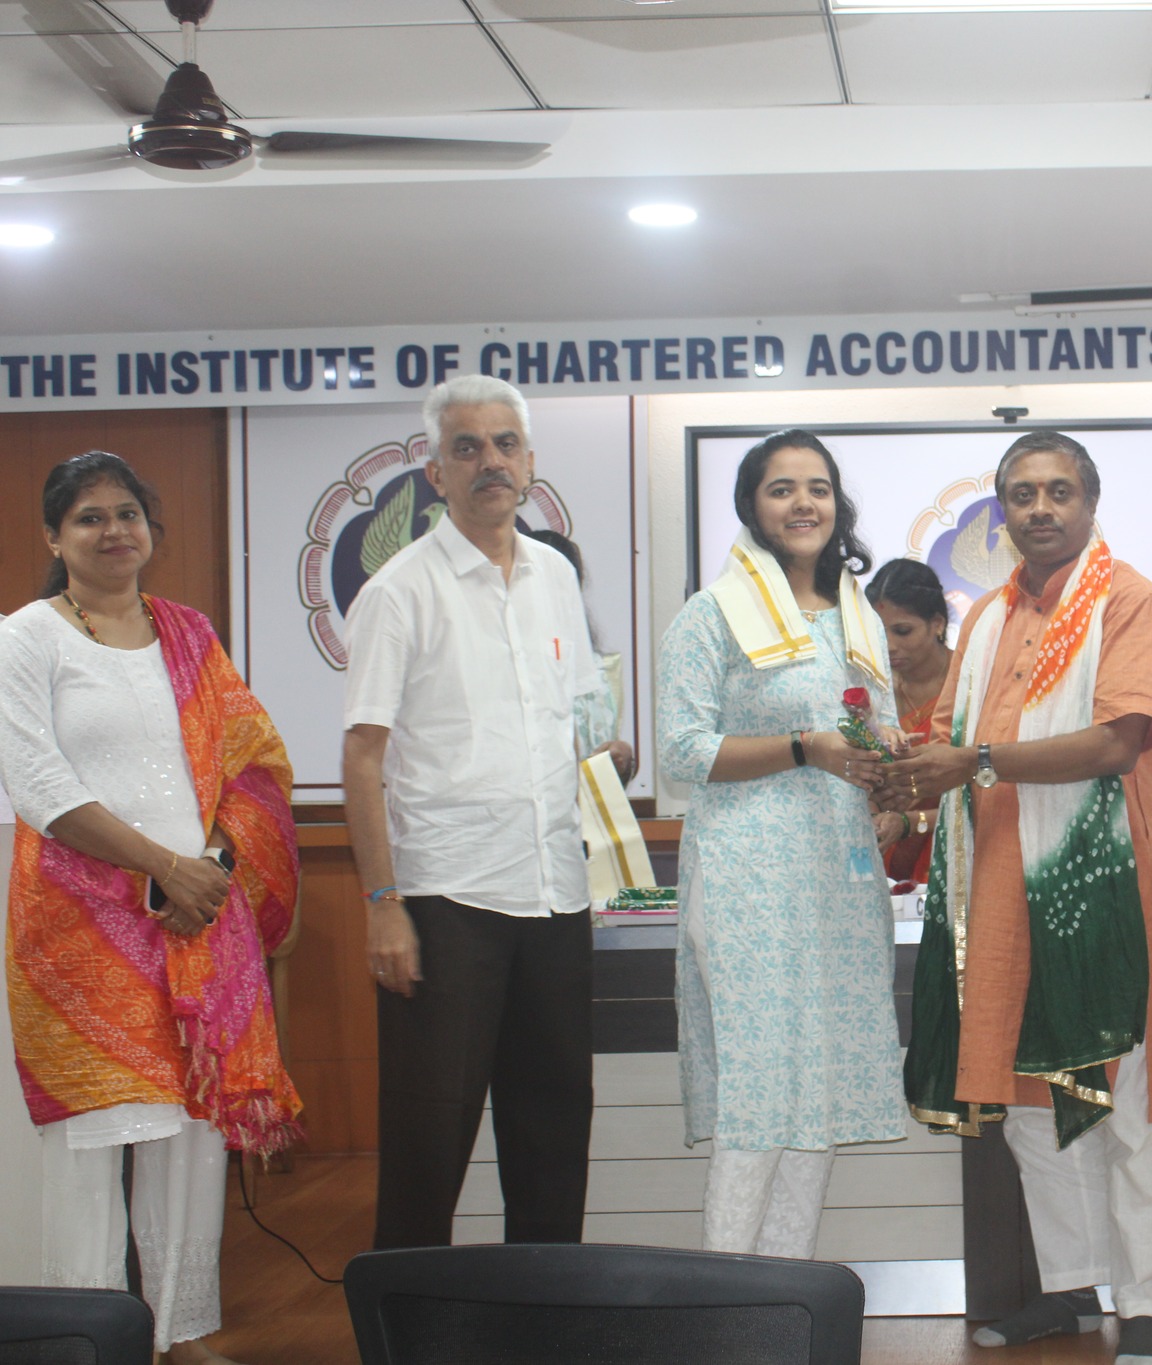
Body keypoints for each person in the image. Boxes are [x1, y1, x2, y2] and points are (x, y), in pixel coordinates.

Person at [887, 430, 1152, 1365]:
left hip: (1099, 891)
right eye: (1023, 494)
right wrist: (895, 769)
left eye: (1059, 491)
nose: (1041, 508)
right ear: (1004, 511)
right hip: (995, 888)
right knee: (1025, 1102)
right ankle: (1072, 1287)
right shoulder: (984, 619)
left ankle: (1148, 1303)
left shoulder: (1131, 601)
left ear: (1090, 503)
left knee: (1124, 1094)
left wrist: (970, 760)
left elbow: (1115, 743)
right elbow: (942, 740)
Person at [0, 452, 301, 1365]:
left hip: (196, 919)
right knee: (94, 1141)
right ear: (53, 536)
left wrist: (208, 868)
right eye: (88, 517)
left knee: (192, 1136)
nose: (112, 531)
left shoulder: (189, 634)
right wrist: (163, 866)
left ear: (150, 529)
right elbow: (39, 783)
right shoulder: (27, 638)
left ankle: (181, 1331)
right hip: (78, 930)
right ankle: (83, 1338)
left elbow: (250, 761)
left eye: (126, 513)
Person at [342, 374, 605, 1249]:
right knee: (430, 1142)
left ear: (529, 462)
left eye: (504, 444)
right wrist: (384, 905)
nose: (489, 461)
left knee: (553, 1133)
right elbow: (363, 756)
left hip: (555, 895)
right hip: (446, 901)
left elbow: (569, 723)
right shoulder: (399, 591)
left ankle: (544, 1311)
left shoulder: (555, 575)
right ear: (436, 472)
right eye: (467, 447)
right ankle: (410, 1316)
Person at [656, 429, 908, 1257]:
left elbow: (879, 733)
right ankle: (727, 1301)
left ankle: (789, 1298)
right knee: (762, 1096)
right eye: (782, 488)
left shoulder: (858, 614)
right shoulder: (711, 613)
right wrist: (805, 747)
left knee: (817, 1097)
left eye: (818, 488)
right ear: (751, 506)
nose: (804, 503)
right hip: (748, 882)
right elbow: (682, 751)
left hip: (840, 879)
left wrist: (889, 785)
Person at [865, 557, 954, 888]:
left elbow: (990, 792)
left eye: (903, 631)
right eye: (878, 631)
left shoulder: (972, 685)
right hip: (883, 855)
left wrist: (910, 821)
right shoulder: (871, 693)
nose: (889, 646)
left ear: (937, 624)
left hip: (958, 849)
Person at [523, 527, 634, 782]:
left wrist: (621, 757)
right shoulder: (503, 664)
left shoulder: (600, 671)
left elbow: (607, 773)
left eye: (564, 583)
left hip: (582, 805)